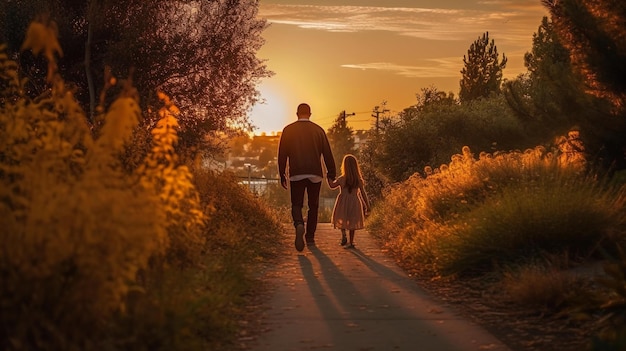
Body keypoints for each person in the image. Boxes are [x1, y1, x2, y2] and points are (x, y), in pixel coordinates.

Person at [278, 103, 336, 252]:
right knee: (313, 206)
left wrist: (282, 174)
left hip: (296, 172)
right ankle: (310, 238)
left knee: (296, 204)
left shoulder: (288, 130)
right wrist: (331, 174)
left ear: (297, 113)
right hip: (315, 173)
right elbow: (327, 154)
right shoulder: (319, 130)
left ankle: (299, 224)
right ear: (310, 114)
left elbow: (282, 154)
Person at [328, 154, 370, 249]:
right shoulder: (358, 180)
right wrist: (367, 205)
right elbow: (363, 193)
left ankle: (343, 234)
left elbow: (332, 186)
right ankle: (351, 242)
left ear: (344, 166)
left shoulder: (342, 179)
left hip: (343, 201)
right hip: (355, 202)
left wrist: (329, 177)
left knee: (341, 217)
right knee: (352, 222)